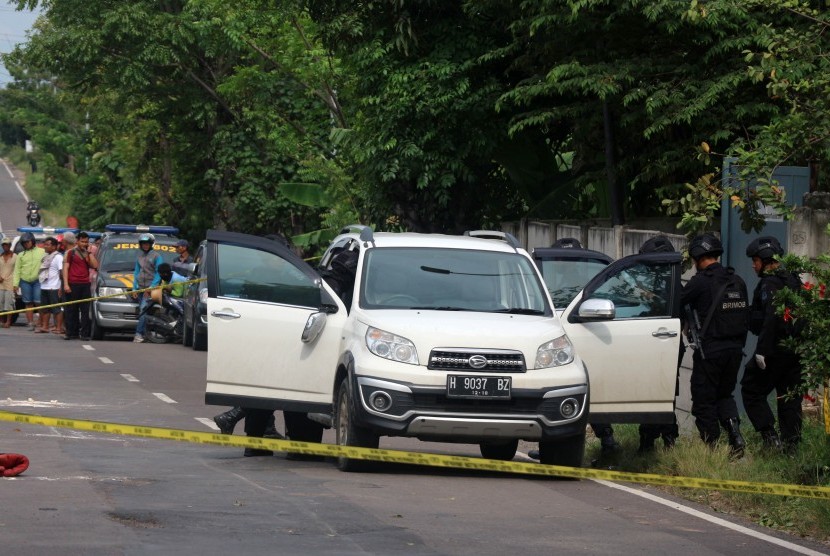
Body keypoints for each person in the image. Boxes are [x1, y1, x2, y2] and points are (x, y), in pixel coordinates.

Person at [681, 233, 749, 457]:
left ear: (698, 257)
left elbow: (676, 301)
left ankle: (712, 449)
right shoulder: (737, 281)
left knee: (703, 400)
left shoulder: (700, 282)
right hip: (735, 352)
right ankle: (735, 436)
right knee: (725, 395)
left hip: (710, 352)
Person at [740, 236, 804, 453]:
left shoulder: (769, 283)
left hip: (774, 351)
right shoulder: (793, 279)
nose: (753, 265)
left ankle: (769, 436)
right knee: (789, 397)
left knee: (750, 389)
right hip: (794, 351)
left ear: (765, 261)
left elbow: (772, 318)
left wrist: (762, 352)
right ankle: (791, 447)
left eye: (755, 261)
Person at [636, 235, 681, 452]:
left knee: (659, 393)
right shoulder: (668, 279)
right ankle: (655, 441)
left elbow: (664, 310)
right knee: (658, 392)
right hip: (664, 343)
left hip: (663, 344)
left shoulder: (667, 281)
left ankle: (659, 441)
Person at [62, 231, 98, 341]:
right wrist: (66, 284)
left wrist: (90, 253)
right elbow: (65, 269)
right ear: (77, 241)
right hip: (73, 284)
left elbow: (95, 265)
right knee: (71, 310)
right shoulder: (70, 253)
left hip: (85, 284)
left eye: (86, 242)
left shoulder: (88, 254)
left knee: (85, 311)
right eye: (82, 242)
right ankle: (71, 333)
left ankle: (85, 334)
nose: (84, 244)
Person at [131, 233, 163, 343]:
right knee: (143, 311)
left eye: (147, 244)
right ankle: (145, 334)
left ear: (151, 244)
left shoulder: (156, 256)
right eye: (143, 244)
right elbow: (136, 273)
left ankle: (138, 334)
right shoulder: (139, 257)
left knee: (143, 311)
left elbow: (159, 273)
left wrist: (151, 288)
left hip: (150, 290)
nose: (145, 246)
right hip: (140, 288)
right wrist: (134, 288)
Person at [12, 232, 45, 330]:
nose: (26, 244)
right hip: (25, 281)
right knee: (28, 303)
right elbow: (17, 270)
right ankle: (30, 323)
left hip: (37, 281)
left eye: (28, 242)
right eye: (24, 243)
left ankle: (40, 322)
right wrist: (15, 284)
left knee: (38, 302)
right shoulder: (21, 255)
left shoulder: (42, 251)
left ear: (32, 241)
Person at [36, 237, 64, 334]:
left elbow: (62, 273)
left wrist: (61, 287)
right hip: (44, 286)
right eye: (45, 244)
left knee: (56, 309)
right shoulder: (46, 256)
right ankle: (45, 326)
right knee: (44, 309)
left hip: (54, 287)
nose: (45, 246)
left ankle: (59, 327)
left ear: (54, 246)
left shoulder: (58, 257)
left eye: (48, 244)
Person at [0, 236, 16, 328]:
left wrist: (16, 284)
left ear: (10, 245)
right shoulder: (0, 257)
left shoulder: (15, 257)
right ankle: (2, 321)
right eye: (4, 245)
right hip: (1, 284)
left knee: (9, 303)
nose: (5, 246)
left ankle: (8, 321)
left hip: (10, 283)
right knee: (0, 303)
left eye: (7, 245)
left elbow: (18, 270)